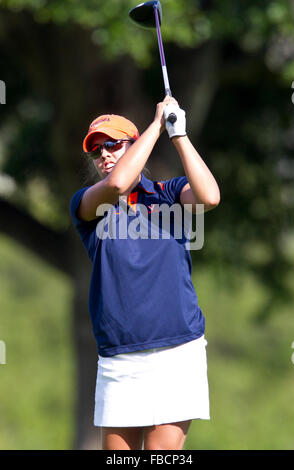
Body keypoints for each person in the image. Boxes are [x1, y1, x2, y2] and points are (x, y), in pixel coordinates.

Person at [70, 95, 220, 450]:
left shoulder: (168, 195)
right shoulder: (89, 204)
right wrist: (155, 125)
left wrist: (178, 134)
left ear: (134, 146)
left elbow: (210, 196)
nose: (104, 154)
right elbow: (119, 184)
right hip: (119, 358)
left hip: (177, 352)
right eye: (96, 151)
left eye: (113, 145)